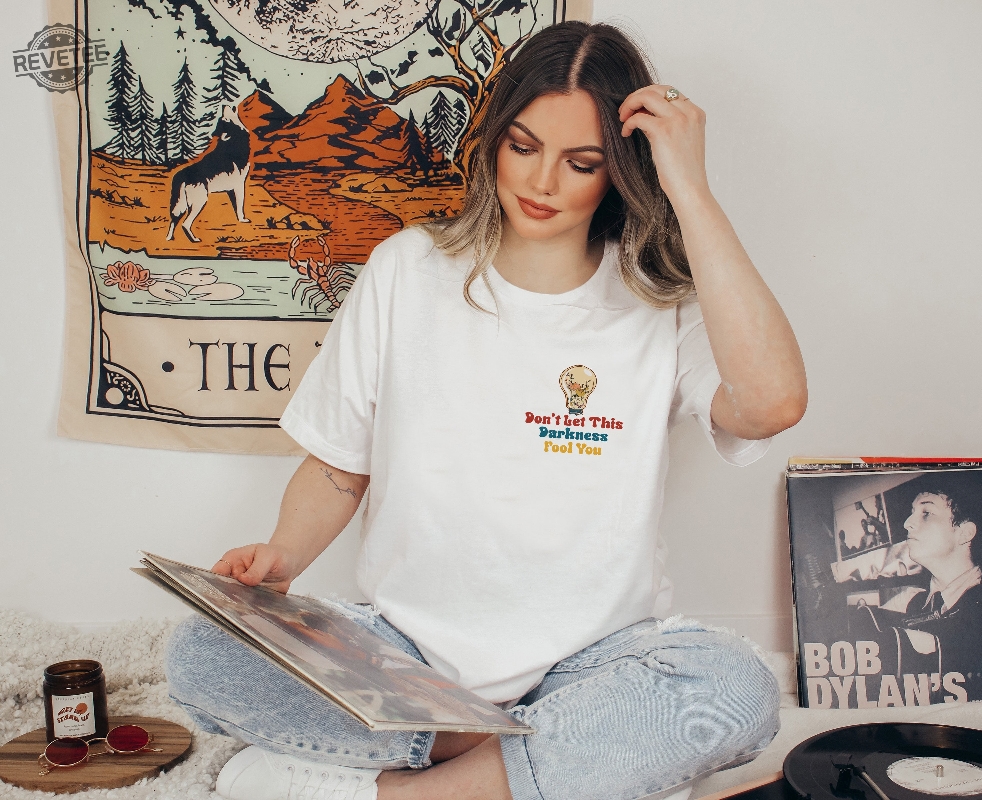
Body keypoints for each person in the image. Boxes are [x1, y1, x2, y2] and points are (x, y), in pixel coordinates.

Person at [165, 20, 807, 800]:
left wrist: (690, 188)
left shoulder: (657, 299)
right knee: (201, 653)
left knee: (737, 689)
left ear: (620, 171)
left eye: (582, 163)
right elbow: (339, 466)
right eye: (524, 147)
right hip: (408, 660)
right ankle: (558, 763)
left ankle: (394, 792)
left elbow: (772, 404)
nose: (542, 183)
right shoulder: (407, 268)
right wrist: (283, 558)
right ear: (495, 137)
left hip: (593, 664)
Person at [852, 473, 982, 700]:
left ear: (965, 533)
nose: (907, 523)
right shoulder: (906, 599)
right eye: (912, 512)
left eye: (927, 513)